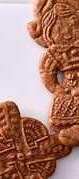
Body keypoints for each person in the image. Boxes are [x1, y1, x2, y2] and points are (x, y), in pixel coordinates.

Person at [28, 0, 79, 146]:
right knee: (63, 115)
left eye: (73, 26)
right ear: (51, 30)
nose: (69, 33)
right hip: (69, 90)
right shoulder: (55, 53)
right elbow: (47, 73)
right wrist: (58, 89)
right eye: (62, 28)